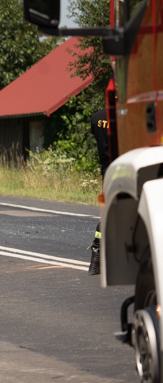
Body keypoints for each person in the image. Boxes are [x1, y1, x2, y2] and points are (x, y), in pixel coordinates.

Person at [88, 108, 111, 275]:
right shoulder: (128, 114)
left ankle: (96, 257)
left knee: (106, 214)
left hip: (107, 173)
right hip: (128, 169)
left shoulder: (97, 118)